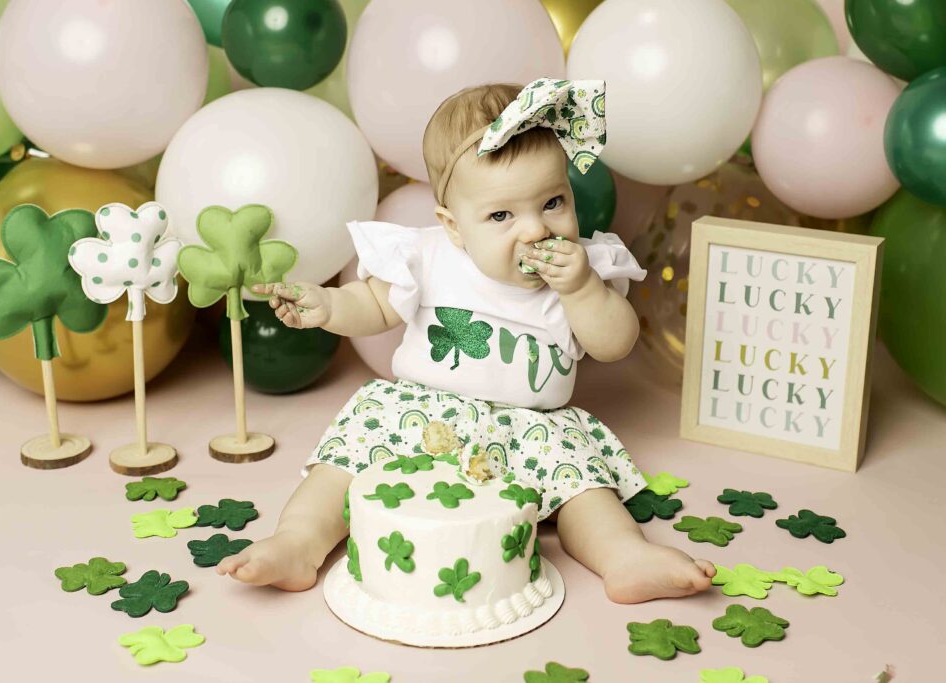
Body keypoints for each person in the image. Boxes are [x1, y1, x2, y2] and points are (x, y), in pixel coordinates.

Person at [217, 78, 715, 603]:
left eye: (552, 202)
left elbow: (615, 342)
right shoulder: (430, 255)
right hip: (418, 412)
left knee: (586, 491)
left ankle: (625, 557)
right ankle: (297, 542)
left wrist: (584, 289)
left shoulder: (584, 270)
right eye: (501, 215)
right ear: (453, 226)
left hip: (532, 426)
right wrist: (329, 307)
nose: (535, 231)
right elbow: (376, 305)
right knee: (339, 466)